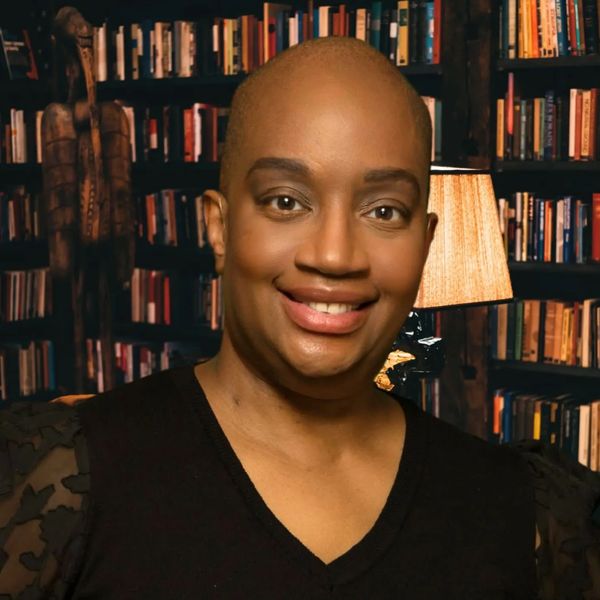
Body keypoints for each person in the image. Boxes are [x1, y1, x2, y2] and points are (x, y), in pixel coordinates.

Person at [0, 35, 599, 599]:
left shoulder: (531, 514)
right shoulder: (55, 482)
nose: (334, 256)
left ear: (424, 244)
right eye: (286, 201)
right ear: (219, 228)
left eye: (384, 211)